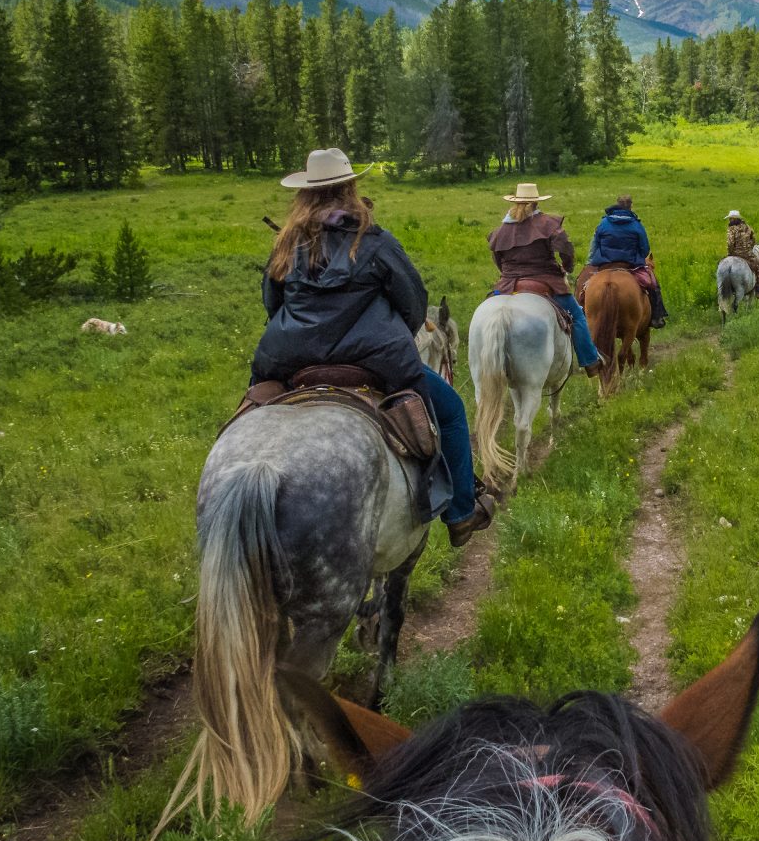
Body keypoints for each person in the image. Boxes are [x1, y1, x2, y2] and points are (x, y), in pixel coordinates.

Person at [249, 148, 494, 546]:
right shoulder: (375, 242)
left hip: (288, 357)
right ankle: (461, 512)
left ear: (305, 195)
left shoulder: (286, 243)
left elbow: (271, 305)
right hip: (376, 360)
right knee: (449, 411)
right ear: (349, 188)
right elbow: (414, 304)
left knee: (251, 408)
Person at [488, 182, 606, 376]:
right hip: (545, 280)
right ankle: (590, 360)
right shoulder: (548, 224)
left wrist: (508, 273)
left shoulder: (501, 229)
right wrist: (567, 268)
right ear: (536, 203)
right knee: (576, 316)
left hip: (509, 283)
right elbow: (566, 248)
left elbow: (497, 258)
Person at [577, 195, 669, 328]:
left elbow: (595, 244)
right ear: (631, 206)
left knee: (582, 285)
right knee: (653, 284)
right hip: (630, 265)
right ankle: (656, 317)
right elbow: (645, 248)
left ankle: (580, 315)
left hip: (604, 265)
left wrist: (593, 261)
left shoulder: (603, 223)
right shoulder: (637, 225)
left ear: (617, 205)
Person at [726, 209, 759, 299]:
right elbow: (753, 241)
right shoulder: (748, 228)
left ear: (734, 219)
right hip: (748, 254)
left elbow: (730, 243)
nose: (729, 220)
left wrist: (729, 253)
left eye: (730, 219)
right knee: (758, 267)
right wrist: (748, 249)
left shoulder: (731, 229)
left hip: (734, 254)